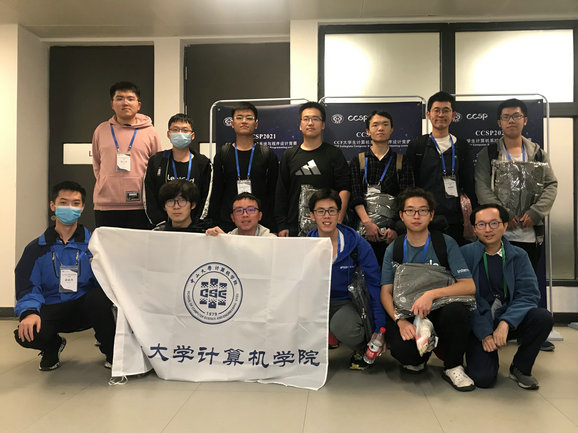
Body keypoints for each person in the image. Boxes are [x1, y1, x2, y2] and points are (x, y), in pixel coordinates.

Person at [380, 187, 476, 391]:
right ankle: (419, 357)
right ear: (401, 215)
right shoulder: (394, 248)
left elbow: (469, 286)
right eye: (410, 210)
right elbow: (385, 292)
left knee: (457, 312)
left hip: (440, 309)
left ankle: (453, 366)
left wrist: (431, 295)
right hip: (408, 312)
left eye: (423, 210)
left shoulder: (445, 243)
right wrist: (400, 321)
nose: (416, 216)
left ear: (431, 215)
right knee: (406, 354)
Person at [13, 181, 115, 371]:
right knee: (26, 332)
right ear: (53, 206)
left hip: (84, 308)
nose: (70, 208)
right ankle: (52, 346)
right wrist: (29, 312)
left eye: (75, 203)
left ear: (82, 208)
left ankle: (112, 352)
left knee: (98, 299)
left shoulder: (95, 246)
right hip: (51, 308)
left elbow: (110, 284)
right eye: (63, 202)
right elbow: (27, 286)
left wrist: (100, 267)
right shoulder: (35, 249)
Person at [461, 204, 554, 390]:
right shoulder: (464, 254)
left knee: (542, 317)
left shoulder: (519, 255)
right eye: (481, 224)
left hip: (508, 320)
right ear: (474, 229)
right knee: (483, 379)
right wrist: (484, 333)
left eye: (494, 223)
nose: (488, 229)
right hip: (479, 322)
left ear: (505, 225)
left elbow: (529, 294)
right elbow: (465, 298)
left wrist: (506, 323)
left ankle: (521, 367)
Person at [307, 189, 386, 370]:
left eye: (331, 210)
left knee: (343, 326)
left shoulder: (357, 244)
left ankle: (362, 347)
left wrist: (380, 329)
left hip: (347, 303)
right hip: (316, 303)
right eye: (321, 211)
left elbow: (374, 285)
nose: (327, 216)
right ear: (312, 215)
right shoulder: (304, 245)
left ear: (339, 213)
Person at [474, 98, 557, 270]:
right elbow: (482, 188)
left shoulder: (538, 154)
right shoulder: (488, 154)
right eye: (506, 117)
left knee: (525, 281)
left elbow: (551, 185)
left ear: (524, 120)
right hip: (496, 234)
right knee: (497, 281)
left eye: (516, 116)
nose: (511, 120)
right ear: (500, 122)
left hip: (530, 234)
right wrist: (503, 214)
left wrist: (536, 212)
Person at [406, 91, 477, 245]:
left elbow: (469, 183)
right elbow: (410, 184)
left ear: (453, 115)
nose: (441, 115)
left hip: (454, 219)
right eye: (436, 110)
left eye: (446, 110)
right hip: (423, 218)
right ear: (428, 114)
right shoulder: (418, 145)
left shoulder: (462, 146)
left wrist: (475, 215)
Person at [92, 81, 162, 229]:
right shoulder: (101, 130)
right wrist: (106, 183)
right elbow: (97, 163)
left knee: (139, 244)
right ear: (112, 104)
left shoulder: (150, 132)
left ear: (138, 105)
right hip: (106, 205)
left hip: (141, 205)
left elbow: (157, 166)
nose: (125, 103)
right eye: (119, 98)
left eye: (130, 99)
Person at [275, 102, 350, 237]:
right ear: (300, 125)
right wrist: (282, 225)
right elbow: (282, 192)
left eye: (315, 119)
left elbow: (344, 189)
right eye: (306, 119)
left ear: (323, 125)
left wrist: (338, 220)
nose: (310, 123)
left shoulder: (334, 154)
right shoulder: (289, 155)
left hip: (327, 225)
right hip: (294, 227)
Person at [350, 110, 414, 265]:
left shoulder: (401, 161)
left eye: (385, 124)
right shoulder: (358, 161)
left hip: (392, 233)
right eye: (375, 125)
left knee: (391, 272)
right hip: (362, 230)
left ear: (391, 129)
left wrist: (395, 229)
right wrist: (368, 224)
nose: (380, 128)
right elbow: (355, 195)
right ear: (367, 131)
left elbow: (406, 199)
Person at [208, 102, 278, 233]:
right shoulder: (223, 154)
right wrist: (212, 221)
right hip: (227, 222)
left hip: (260, 223)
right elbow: (217, 191)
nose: (244, 121)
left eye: (249, 118)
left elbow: (273, 193)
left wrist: (276, 225)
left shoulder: (267, 154)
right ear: (232, 123)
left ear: (256, 124)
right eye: (239, 117)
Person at [144, 113, 211, 226]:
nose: (180, 133)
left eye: (185, 130)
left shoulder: (203, 163)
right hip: (163, 226)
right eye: (175, 130)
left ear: (192, 135)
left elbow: (206, 196)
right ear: (169, 134)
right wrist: (160, 223)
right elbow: (149, 195)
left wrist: (197, 223)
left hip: (194, 227)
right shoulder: (156, 161)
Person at [205, 192, 276, 237]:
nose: (245, 215)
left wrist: (227, 242)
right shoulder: (227, 237)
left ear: (260, 215)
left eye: (250, 210)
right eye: (239, 210)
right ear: (232, 217)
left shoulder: (272, 241)